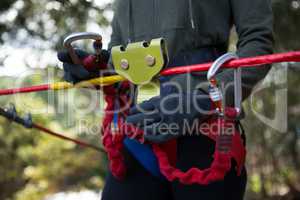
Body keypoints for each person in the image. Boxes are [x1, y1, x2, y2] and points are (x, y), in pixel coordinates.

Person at [58, 0, 274, 199]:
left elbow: (257, 44)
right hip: (138, 132)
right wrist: (94, 73)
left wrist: (206, 98)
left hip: (205, 129)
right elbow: (119, 66)